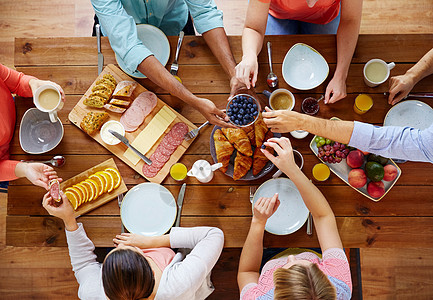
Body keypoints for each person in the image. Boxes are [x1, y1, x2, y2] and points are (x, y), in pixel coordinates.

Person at [42, 191, 224, 300]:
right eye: (138, 250)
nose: (122, 245)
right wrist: (154, 241)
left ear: (103, 281)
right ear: (152, 270)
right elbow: (213, 235)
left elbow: (83, 265)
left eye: (115, 250)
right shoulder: (179, 285)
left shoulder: (92, 293)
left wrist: (68, 219)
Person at [91, 0, 242, 128]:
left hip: (173, 27)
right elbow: (129, 46)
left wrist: (234, 74)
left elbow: (205, 13)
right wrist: (193, 101)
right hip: (119, 33)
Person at [237, 137, 352, 299]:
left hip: (267, 256)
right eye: (314, 268)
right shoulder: (340, 283)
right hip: (312, 248)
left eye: (286, 266)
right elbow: (323, 216)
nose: (290, 257)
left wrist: (258, 222)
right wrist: (292, 169)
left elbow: (247, 271)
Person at [235, 0, 363, 104]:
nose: (311, 3)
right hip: (277, 14)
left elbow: (350, 20)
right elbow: (254, 27)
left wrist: (341, 75)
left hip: (324, 15)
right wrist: (249, 55)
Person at [0, 64, 64, 188]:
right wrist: (25, 169)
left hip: (16, 110)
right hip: (9, 161)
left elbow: (17, 81)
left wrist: (34, 84)